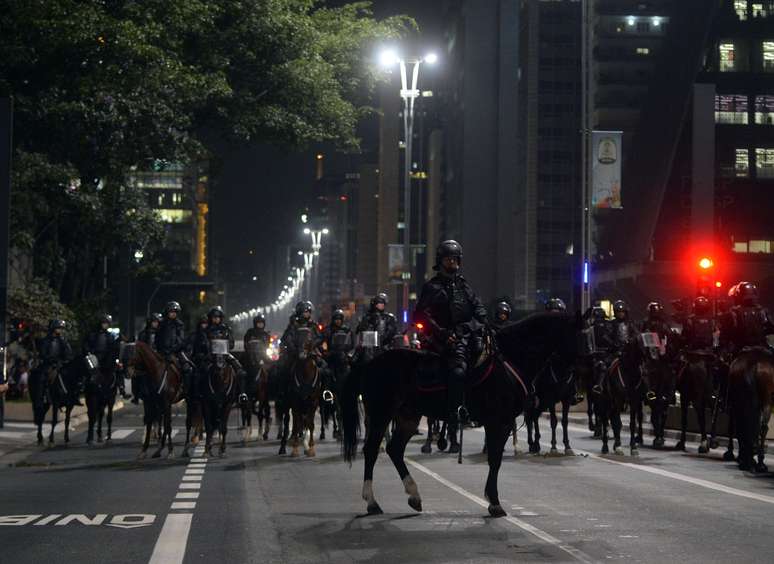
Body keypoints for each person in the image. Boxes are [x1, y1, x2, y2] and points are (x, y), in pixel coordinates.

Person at [414, 240, 487, 453]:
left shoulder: (465, 286)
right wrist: (443, 333)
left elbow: (480, 313)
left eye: (455, 259)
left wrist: (467, 328)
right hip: (440, 341)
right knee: (457, 372)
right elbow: (421, 315)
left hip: (465, 338)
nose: (453, 262)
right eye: (448, 259)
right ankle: (454, 420)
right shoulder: (431, 287)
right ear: (441, 261)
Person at [83, 314, 128, 399]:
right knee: (85, 368)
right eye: (104, 323)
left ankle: (121, 388)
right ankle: (81, 387)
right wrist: (89, 353)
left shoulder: (111, 336)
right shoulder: (92, 335)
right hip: (94, 358)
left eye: (107, 323)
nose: (105, 325)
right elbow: (86, 345)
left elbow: (114, 348)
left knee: (119, 368)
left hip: (107, 359)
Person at [724, 281, 774, 353]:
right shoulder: (762, 310)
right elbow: (771, 327)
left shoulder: (734, 312)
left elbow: (728, 333)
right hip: (761, 346)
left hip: (741, 348)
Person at [156, 301, 192, 398]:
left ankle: (186, 390)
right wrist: (162, 350)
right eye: (171, 311)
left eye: (175, 312)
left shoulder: (179, 324)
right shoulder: (161, 324)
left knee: (187, 367)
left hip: (177, 352)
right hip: (162, 352)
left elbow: (181, 340)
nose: (173, 314)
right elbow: (157, 339)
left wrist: (173, 349)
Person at [37, 320, 74, 402]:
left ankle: (71, 397)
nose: (60, 330)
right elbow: (43, 353)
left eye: (61, 328)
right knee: (44, 378)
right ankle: (43, 396)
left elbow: (68, 352)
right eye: (58, 328)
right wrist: (50, 359)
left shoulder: (63, 341)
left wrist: (65, 359)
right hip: (49, 364)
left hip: (61, 365)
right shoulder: (47, 340)